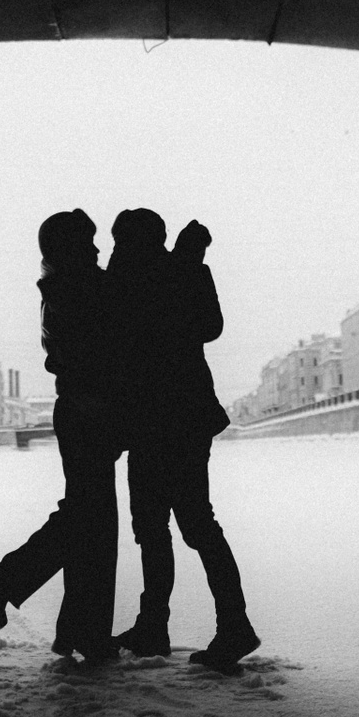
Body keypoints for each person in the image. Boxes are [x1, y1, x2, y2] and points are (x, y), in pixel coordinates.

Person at [107, 209, 259, 671]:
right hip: (182, 417)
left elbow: (131, 336)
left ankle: (223, 626)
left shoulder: (140, 277)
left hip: (160, 420)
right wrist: (186, 265)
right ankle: (164, 625)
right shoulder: (174, 270)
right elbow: (206, 326)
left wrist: (185, 267)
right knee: (175, 525)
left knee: (176, 526)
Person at [0, 210, 123, 664]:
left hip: (79, 412)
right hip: (87, 413)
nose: (97, 250)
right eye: (88, 243)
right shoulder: (80, 288)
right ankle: (11, 579)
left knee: (89, 521)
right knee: (90, 521)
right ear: (71, 249)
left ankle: (79, 631)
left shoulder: (60, 287)